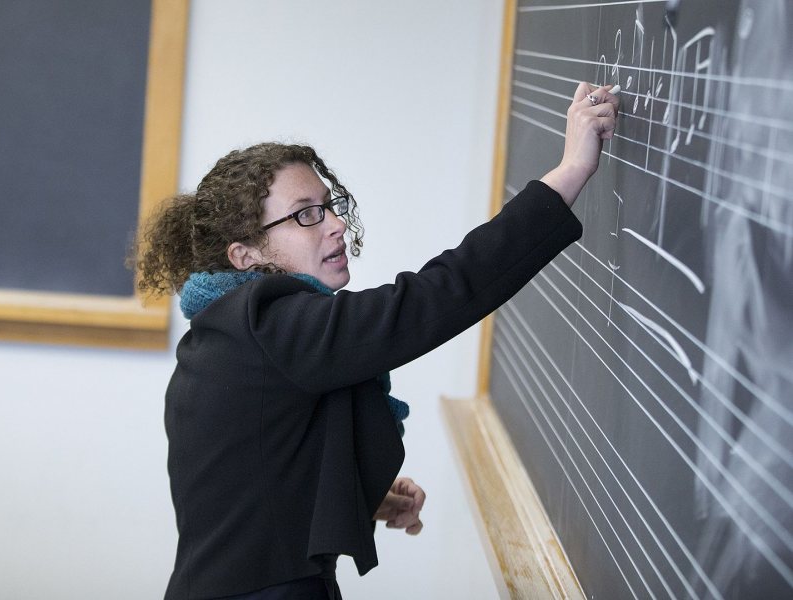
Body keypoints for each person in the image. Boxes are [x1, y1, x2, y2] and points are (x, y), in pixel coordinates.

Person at [132, 82, 619, 599]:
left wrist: (356, 492)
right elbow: (437, 297)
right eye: (305, 214)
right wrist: (568, 174)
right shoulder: (272, 327)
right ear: (245, 255)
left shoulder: (221, 334)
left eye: (329, 205)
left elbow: (251, 480)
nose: (337, 225)